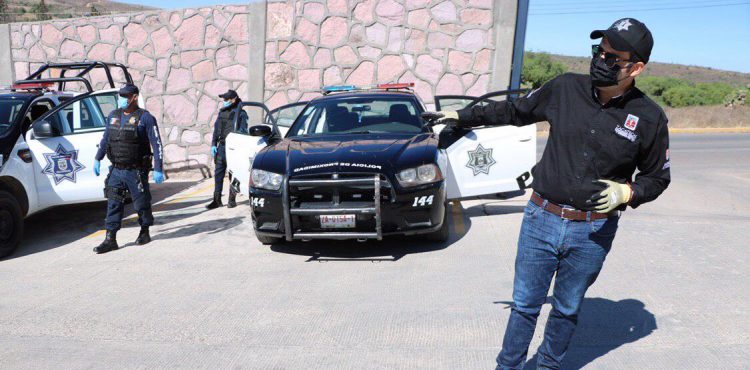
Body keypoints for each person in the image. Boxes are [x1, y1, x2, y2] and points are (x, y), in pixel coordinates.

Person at [425, 18, 670, 369]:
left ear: (637, 67)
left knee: (567, 308)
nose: (601, 60)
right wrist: (462, 115)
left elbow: (657, 177)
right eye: (599, 52)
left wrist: (628, 192)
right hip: (541, 219)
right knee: (525, 304)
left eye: (613, 58)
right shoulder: (565, 88)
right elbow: (513, 109)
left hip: (593, 232)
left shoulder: (649, 118)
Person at [93, 84, 164, 254]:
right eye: (120, 96)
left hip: (136, 170)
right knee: (113, 202)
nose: (121, 99)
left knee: (141, 202)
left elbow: (157, 143)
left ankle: (144, 231)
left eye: (125, 96)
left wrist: (158, 168)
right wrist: (98, 157)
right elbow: (106, 139)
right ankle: (110, 239)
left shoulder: (145, 118)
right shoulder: (113, 115)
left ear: (134, 97)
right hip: (117, 169)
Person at [205, 89, 247, 209]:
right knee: (218, 174)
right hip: (221, 147)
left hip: (233, 148)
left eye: (226, 100)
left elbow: (243, 131)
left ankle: (231, 199)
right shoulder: (222, 112)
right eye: (224, 100)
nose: (224, 102)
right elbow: (216, 129)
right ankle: (216, 200)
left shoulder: (241, 113)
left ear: (233, 100)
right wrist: (213, 144)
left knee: (233, 174)